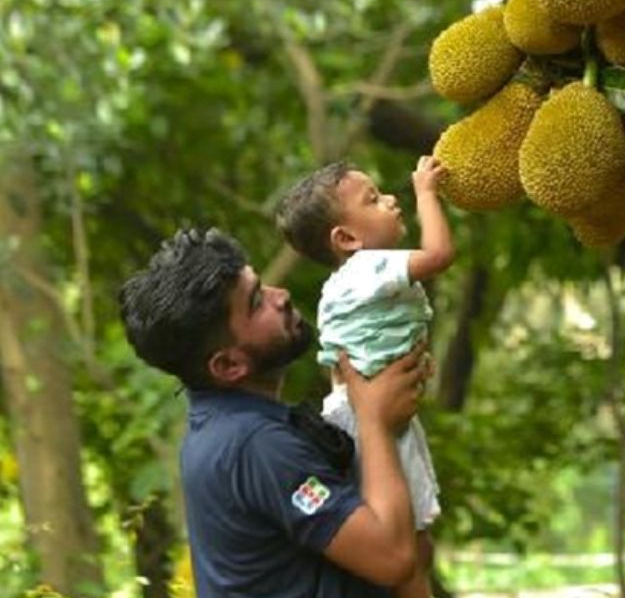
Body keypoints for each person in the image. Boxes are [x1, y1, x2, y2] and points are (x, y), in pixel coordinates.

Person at [119, 228, 428, 597]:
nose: (280, 297)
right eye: (255, 303)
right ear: (229, 365)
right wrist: (374, 420)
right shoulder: (257, 445)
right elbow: (392, 558)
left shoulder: (226, 429)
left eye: (263, 286)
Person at [274, 155, 455, 598]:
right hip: (369, 421)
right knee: (409, 553)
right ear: (347, 238)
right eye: (374, 199)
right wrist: (426, 193)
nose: (392, 201)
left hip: (366, 413)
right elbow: (439, 255)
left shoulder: (355, 280)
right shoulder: (366, 270)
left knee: (419, 543)